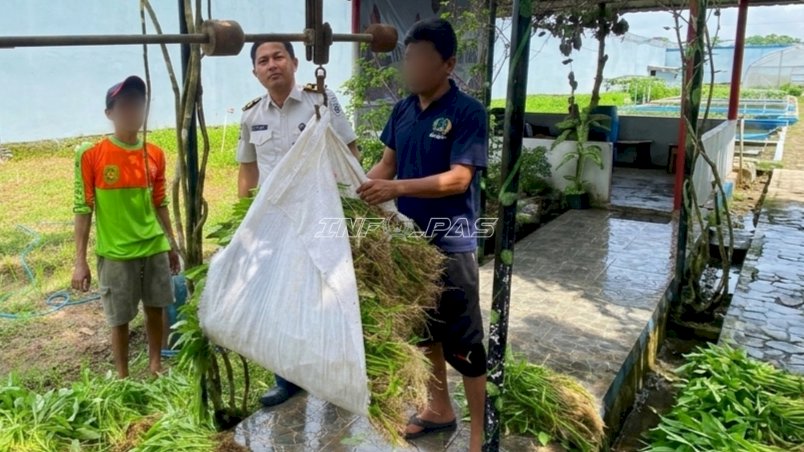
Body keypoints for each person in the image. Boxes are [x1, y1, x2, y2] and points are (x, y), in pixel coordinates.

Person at [357, 18, 488, 451]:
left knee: (465, 344)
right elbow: (386, 166)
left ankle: (477, 436)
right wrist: (355, 191)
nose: (410, 67)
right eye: (408, 58)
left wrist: (394, 189)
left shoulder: (466, 113)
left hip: (450, 242)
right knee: (425, 332)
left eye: (420, 59)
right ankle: (438, 410)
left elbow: (458, 180)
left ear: (447, 64)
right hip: (410, 245)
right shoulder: (403, 110)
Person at [236, 41, 359, 407]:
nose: (271, 65)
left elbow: (349, 152)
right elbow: (248, 172)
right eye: (263, 61)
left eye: (278, 57)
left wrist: (352, 204)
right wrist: (243, 224)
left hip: (320, 213)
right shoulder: (251, 115)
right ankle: (286, 378)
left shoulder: (320, 101)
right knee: (281, 298)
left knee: (327, 293)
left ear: (294, 61)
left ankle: (332, 375)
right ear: (255, 72)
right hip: (275, 221)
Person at [72, 75, 181, 379]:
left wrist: (171, 245)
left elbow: (160, 203)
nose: (133, 110)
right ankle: (122, 376)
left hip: (154, 247)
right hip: (116, 252)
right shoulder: (91, 155)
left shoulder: (155, 154)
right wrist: (79, 261)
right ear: (110, 113)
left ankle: (156, 364)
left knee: (156, 307)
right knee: (118, 317)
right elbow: (83, 209)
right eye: (125, 105)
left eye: (138, 103)